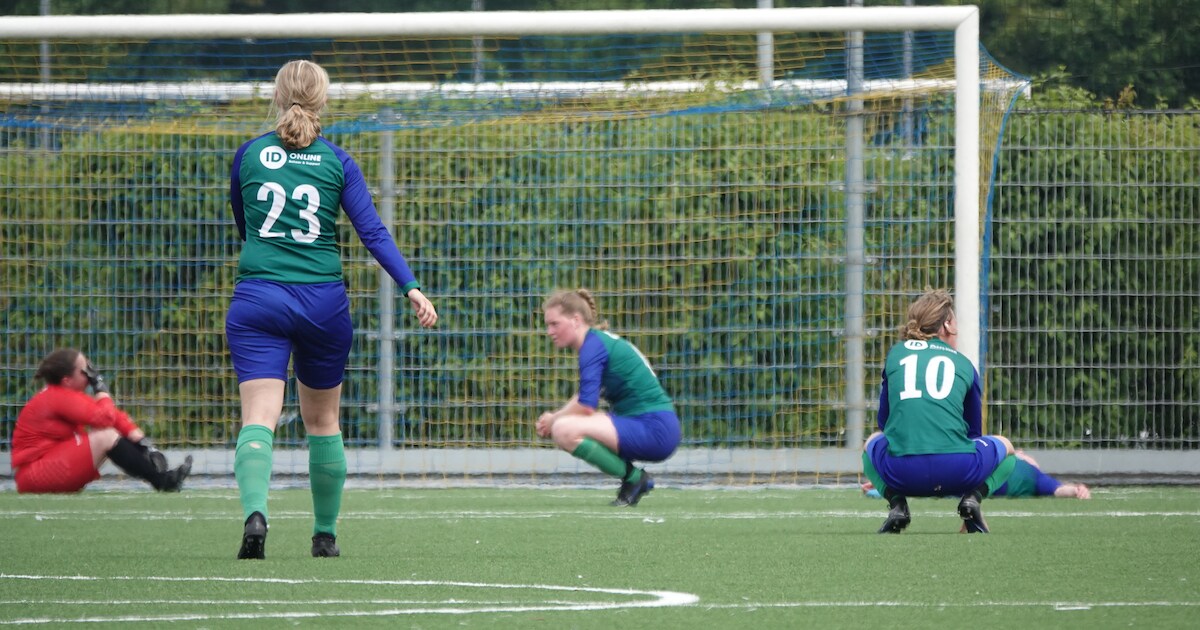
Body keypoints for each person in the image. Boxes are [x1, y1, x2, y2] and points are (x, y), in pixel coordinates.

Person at [226, 59, 438, 560]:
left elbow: (245, 225)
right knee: (323, 421)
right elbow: (373, 233)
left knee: (259, 416)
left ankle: (256, 513)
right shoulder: (338, 161)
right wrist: (411, 287)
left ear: (277, 97)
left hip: (259, 298)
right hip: (322, 302)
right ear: (323, 101)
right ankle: (324, 535)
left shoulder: (248, 154)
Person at [862, 289, 1017, 534]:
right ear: (946, 325)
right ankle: (972, 501)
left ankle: (897, 504)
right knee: (1008, 450)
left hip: (901, 473)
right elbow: (973, 434)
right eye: (954, 321)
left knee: (871, 442)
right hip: (958, 472)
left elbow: (884, 423)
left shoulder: (896, 354)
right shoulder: (964, 364)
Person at [536, 289, 681, 507]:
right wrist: (556, 416)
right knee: (565, 424)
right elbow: (585, 396)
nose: (549, 331)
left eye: (554, 324)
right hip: (654, 426)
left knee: (563, 429)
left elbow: (586, 406)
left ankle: (635, 479)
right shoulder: (596, 342)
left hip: (654, 429)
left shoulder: (592, 347)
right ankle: (633, 479)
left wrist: (553, 419)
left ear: (576, 320)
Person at [11, 348, 192, 494]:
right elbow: (105, 418)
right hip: (37, 474)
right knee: (105, 437)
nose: (90, 375)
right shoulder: (56, 397)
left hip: (44, 470)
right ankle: (162, 481)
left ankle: (162, 478)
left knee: (106, 433)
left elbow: (114, 417)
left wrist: (144, 445)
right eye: (85, 371)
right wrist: (100, 387)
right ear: (67, 380)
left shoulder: (64, 395)